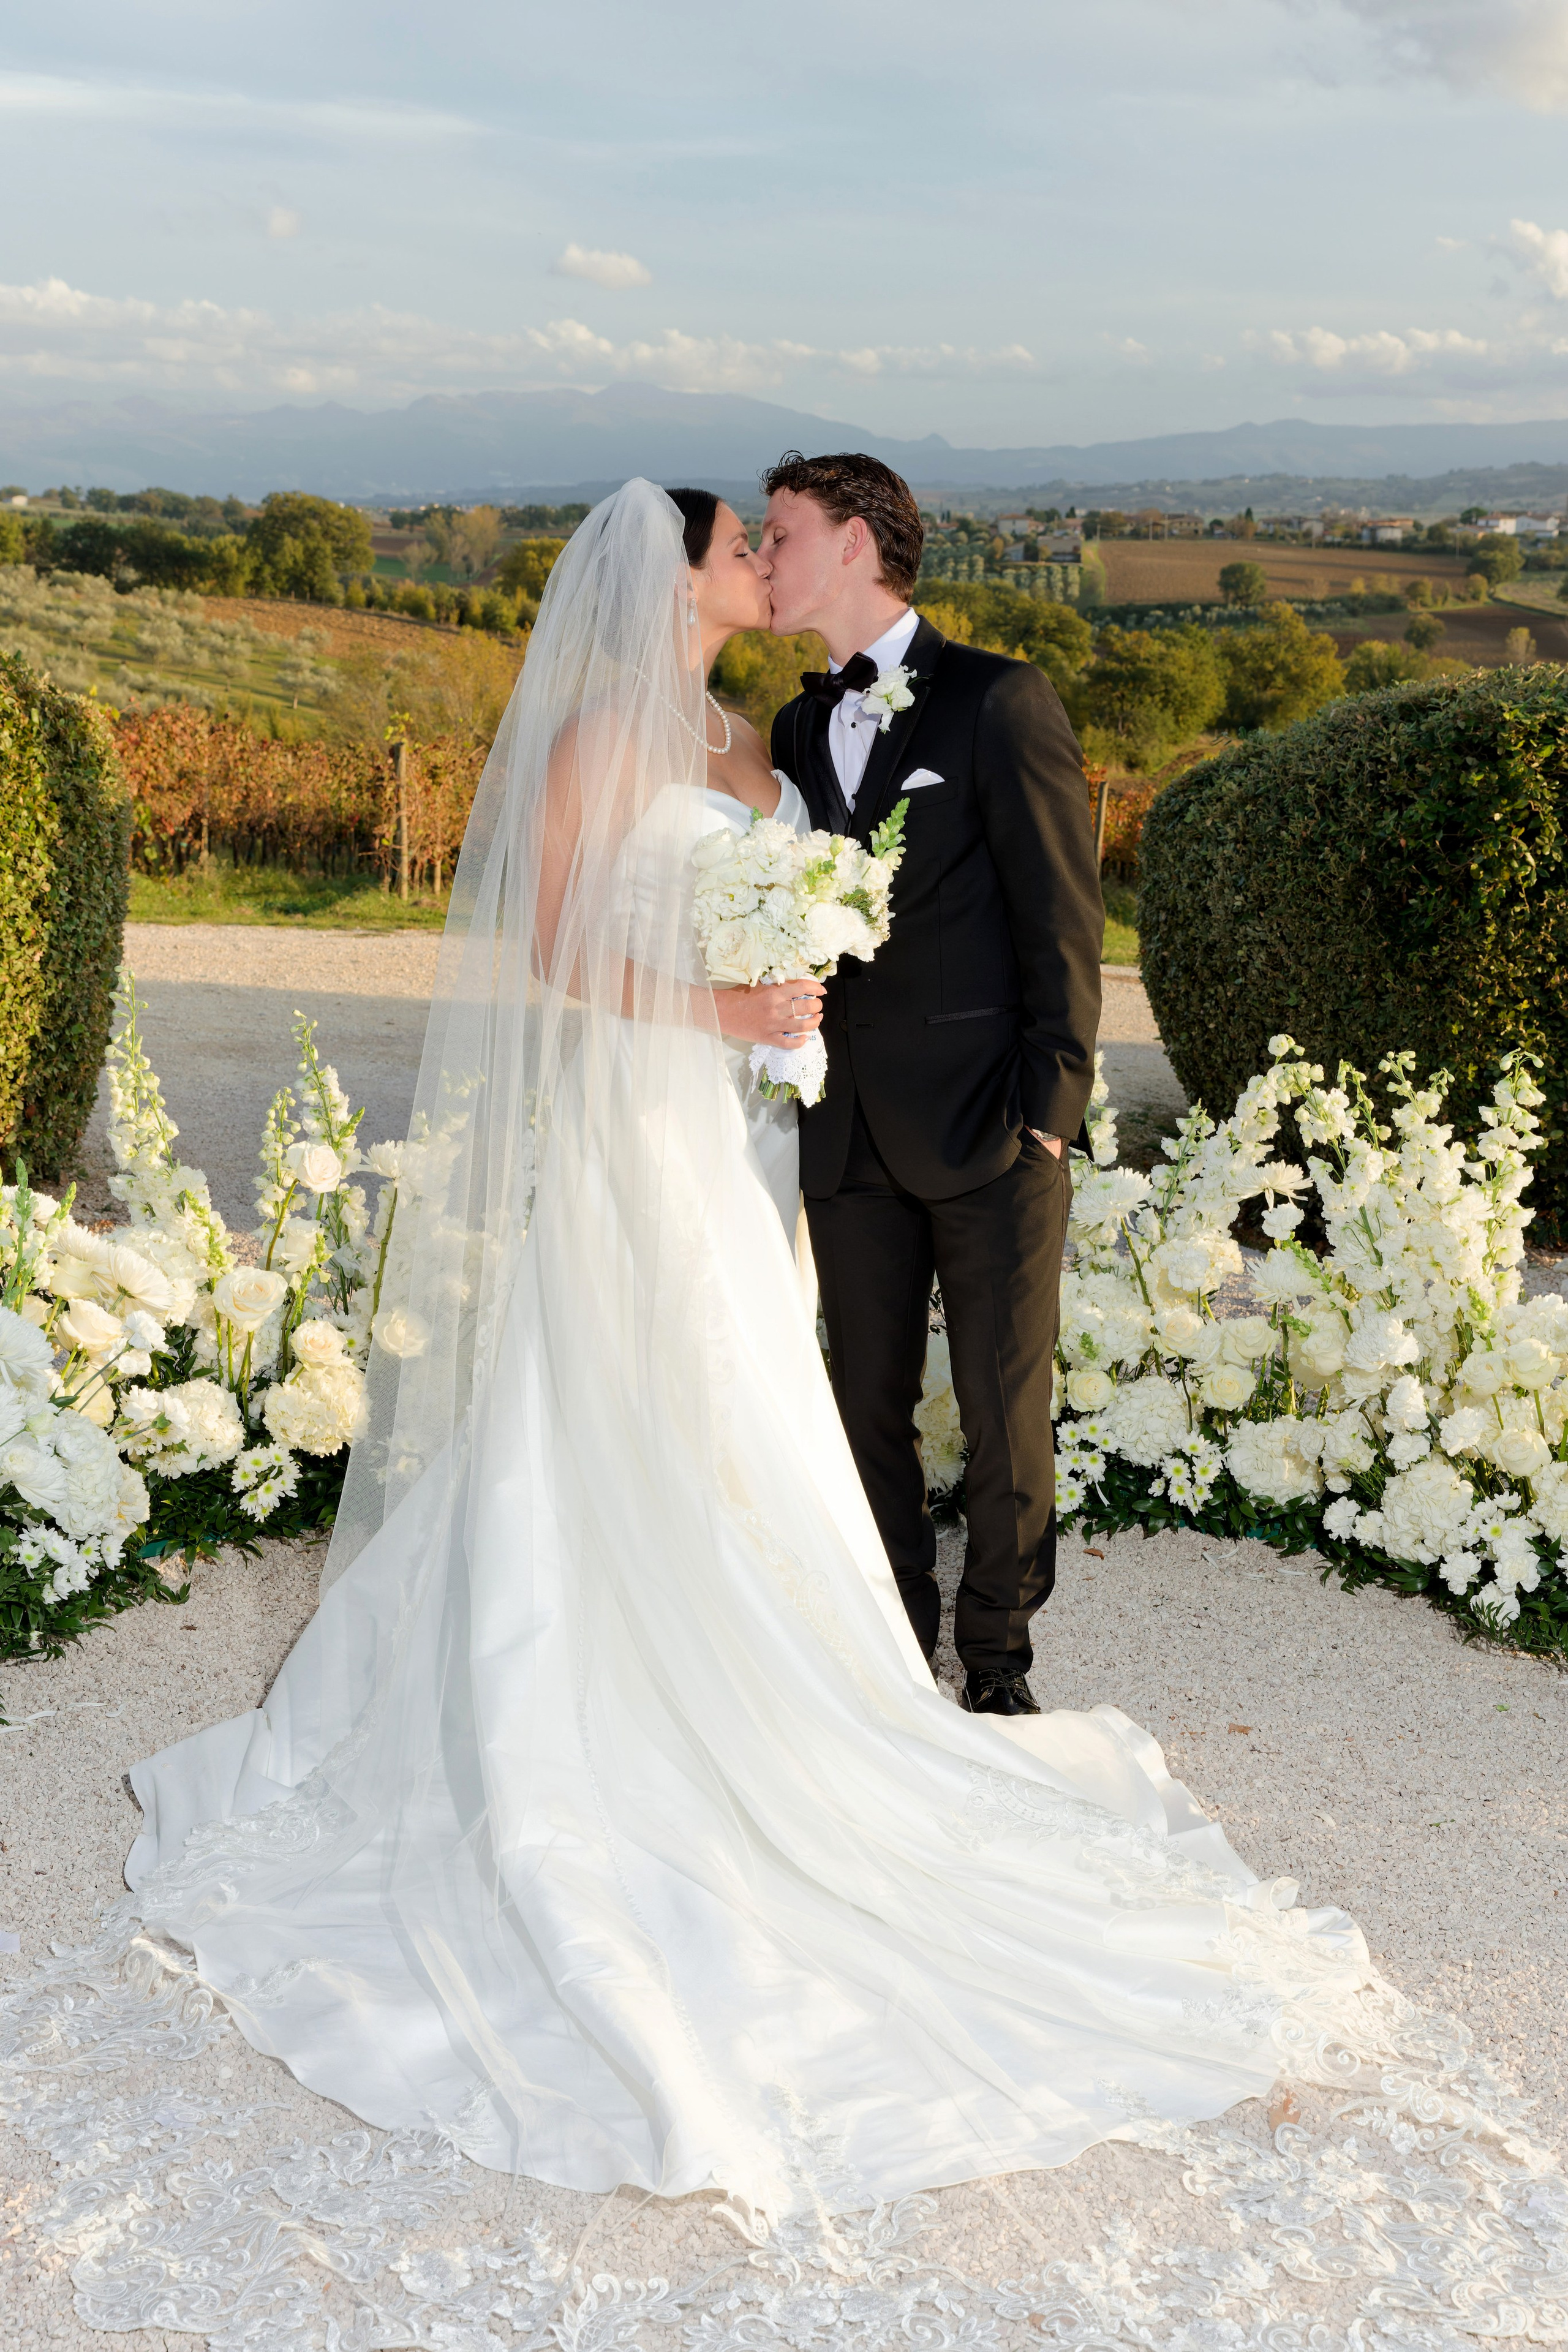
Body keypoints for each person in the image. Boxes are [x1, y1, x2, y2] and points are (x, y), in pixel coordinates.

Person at [124, 478, 1369, 2226]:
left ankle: (892, 1670)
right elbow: (554, 947)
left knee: (764, 1394)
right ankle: (630, 1698)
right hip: (650, 1124)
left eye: (776, 538)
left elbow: (915, 908)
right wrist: (723, 1005)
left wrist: (837, 1015)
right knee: (654, 1391)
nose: (760, 561)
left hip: (757, 1133)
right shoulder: (590, 740)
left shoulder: (758, 731)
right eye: (739, 544)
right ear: (683, 571)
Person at [763, 451, 1102, 1716]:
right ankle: (895, 1646)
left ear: (853, 544)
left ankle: (998, 1656)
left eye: (782, 533)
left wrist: (1046, 1120)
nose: (765, 555)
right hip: (844, 1131)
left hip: (988, 1126)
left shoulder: (997, 702)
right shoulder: (797, 727)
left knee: (1005, 1419)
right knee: (863, 1409)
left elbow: (1063, 924)